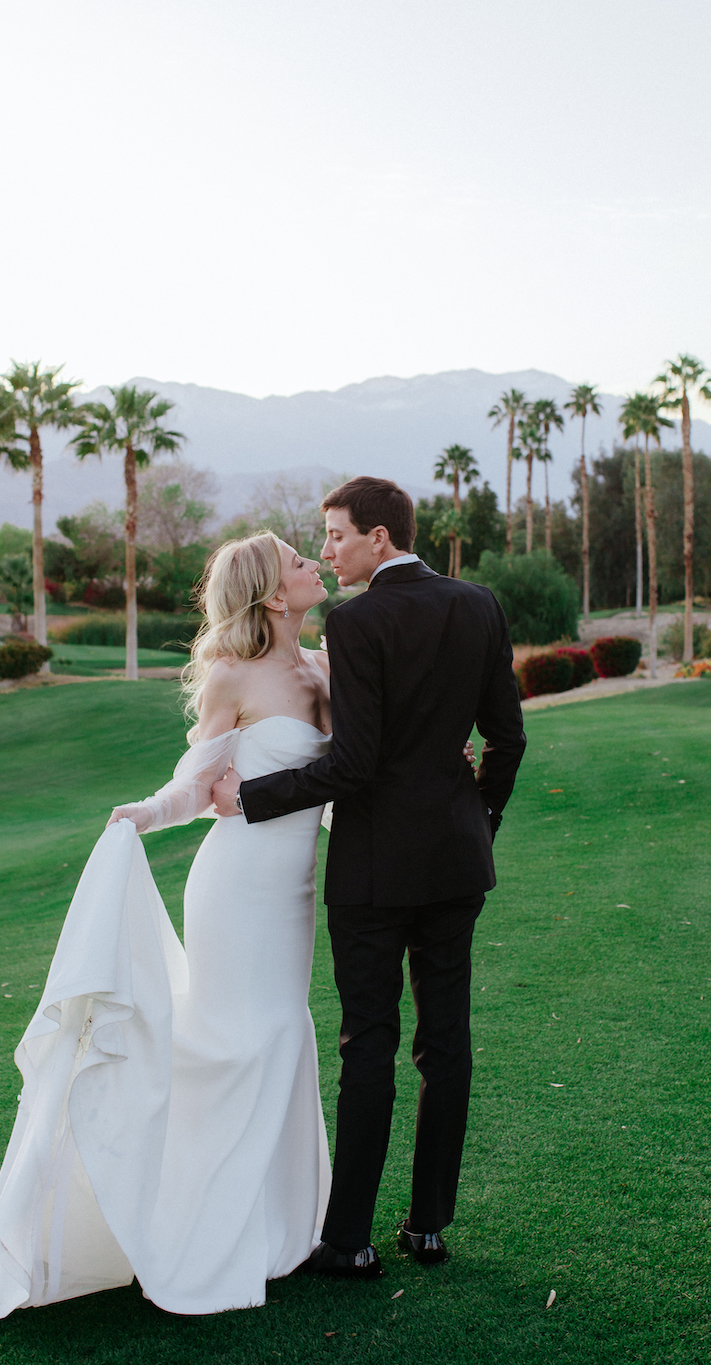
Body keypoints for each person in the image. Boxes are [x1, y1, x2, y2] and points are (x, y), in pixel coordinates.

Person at [0, 532, 336, 1321]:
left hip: (296, 887)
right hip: (237, 885)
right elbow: (194, 785)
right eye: (298, 560)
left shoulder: (324, 664)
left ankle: (282, 1228)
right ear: (267, 590)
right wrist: (146, 815)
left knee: (283, 1034)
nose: (313, 563)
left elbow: (348, 771)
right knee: (235, 1042)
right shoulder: (232, 672)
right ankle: (197, 1231)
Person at [212, 475, 526, 1278]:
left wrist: (251, 795)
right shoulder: (480, 604)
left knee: (369, 1045)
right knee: (446, 1043)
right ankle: (426, 1226)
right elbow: (506, 739)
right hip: (457, 862)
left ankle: (348, 1237)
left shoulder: (357, 623)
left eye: (337, 535)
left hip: (375, 872)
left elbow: (351, 764)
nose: (328, 550)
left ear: (379, 537)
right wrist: (477, 818)